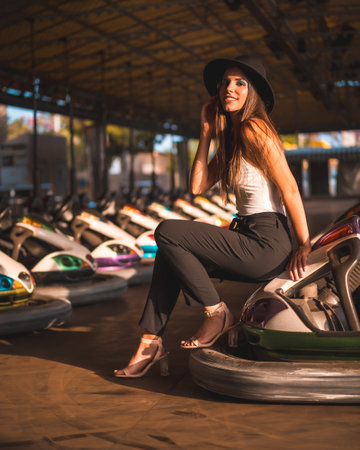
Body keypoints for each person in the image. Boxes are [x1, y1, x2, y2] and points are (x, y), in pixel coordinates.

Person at [114, 55, 311, 378]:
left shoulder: (254, 128)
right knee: (168, 251)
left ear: (253, 93)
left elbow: (289, 187)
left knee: (168, 230)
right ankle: (150, 342)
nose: (228, 89)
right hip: (249, 237)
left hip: (267, 242)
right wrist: (206, 132)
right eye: (224, 83)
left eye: (239, 83)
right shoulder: (233, 139)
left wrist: (303, 243)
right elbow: (198, 185)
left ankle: (217, 312)